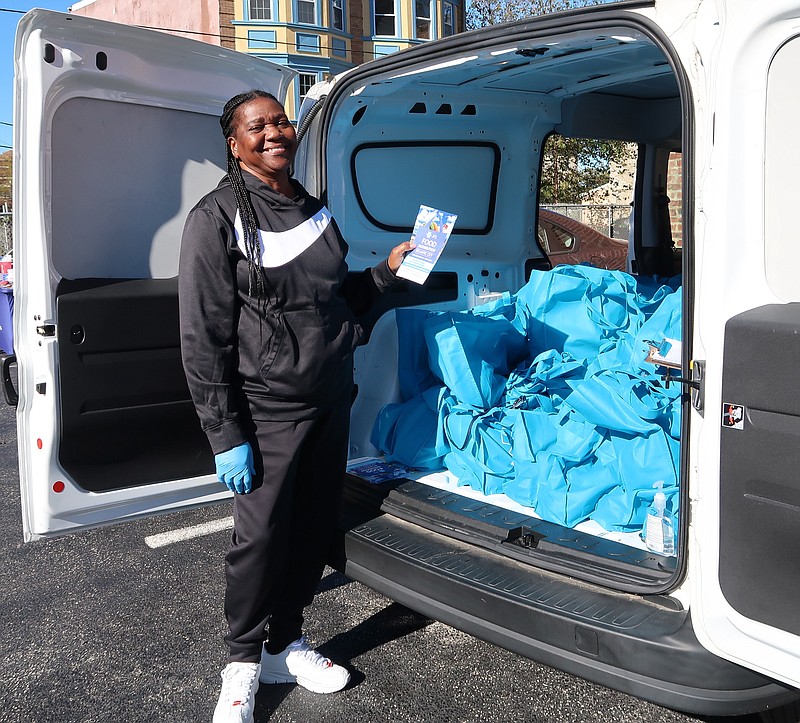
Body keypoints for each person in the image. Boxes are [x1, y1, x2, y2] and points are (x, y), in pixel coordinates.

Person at [178, 89, 413, 723]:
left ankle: (285, 642)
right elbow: (203, 336)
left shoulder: (314, 212)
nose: (275, 132)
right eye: (258, 127)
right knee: (259, 540)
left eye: (280, 122)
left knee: (311, 530)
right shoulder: (216, 217)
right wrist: (225, 433)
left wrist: (388, 271)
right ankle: (241, 664)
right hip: (268, 411)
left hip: (331, 400)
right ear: (235, 144)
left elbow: (340, 303)